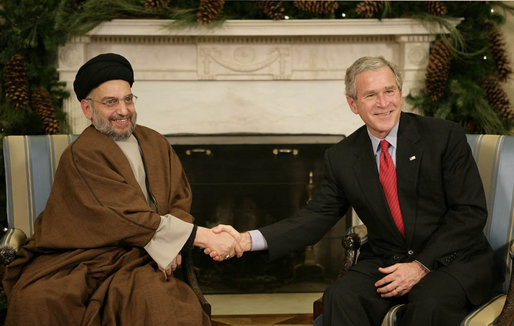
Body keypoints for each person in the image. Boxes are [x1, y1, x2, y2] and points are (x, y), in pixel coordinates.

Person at [209, 56, 502, 325]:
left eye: (389, 91)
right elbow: (315, 218)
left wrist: (420, 266)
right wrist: (247, 240)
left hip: (453, 259)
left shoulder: (442, 136)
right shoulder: (343, 157)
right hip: (390, 260)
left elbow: (470, 212)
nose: (383, 103)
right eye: (370, 95)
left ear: (400, 94)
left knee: (430, 303)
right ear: (353, 104)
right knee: (340, 298)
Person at [2, 53, 240, 325]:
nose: (123, 110)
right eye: (110, 102)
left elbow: (179, 199)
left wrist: (172, 245)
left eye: (128, 99)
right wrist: (201, 237)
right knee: (42, 302)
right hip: (84, 256)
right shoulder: (82, 155)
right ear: (87, 109)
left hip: (141, 255)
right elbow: (122, 216)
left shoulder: (155, 141)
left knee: (159, 304)